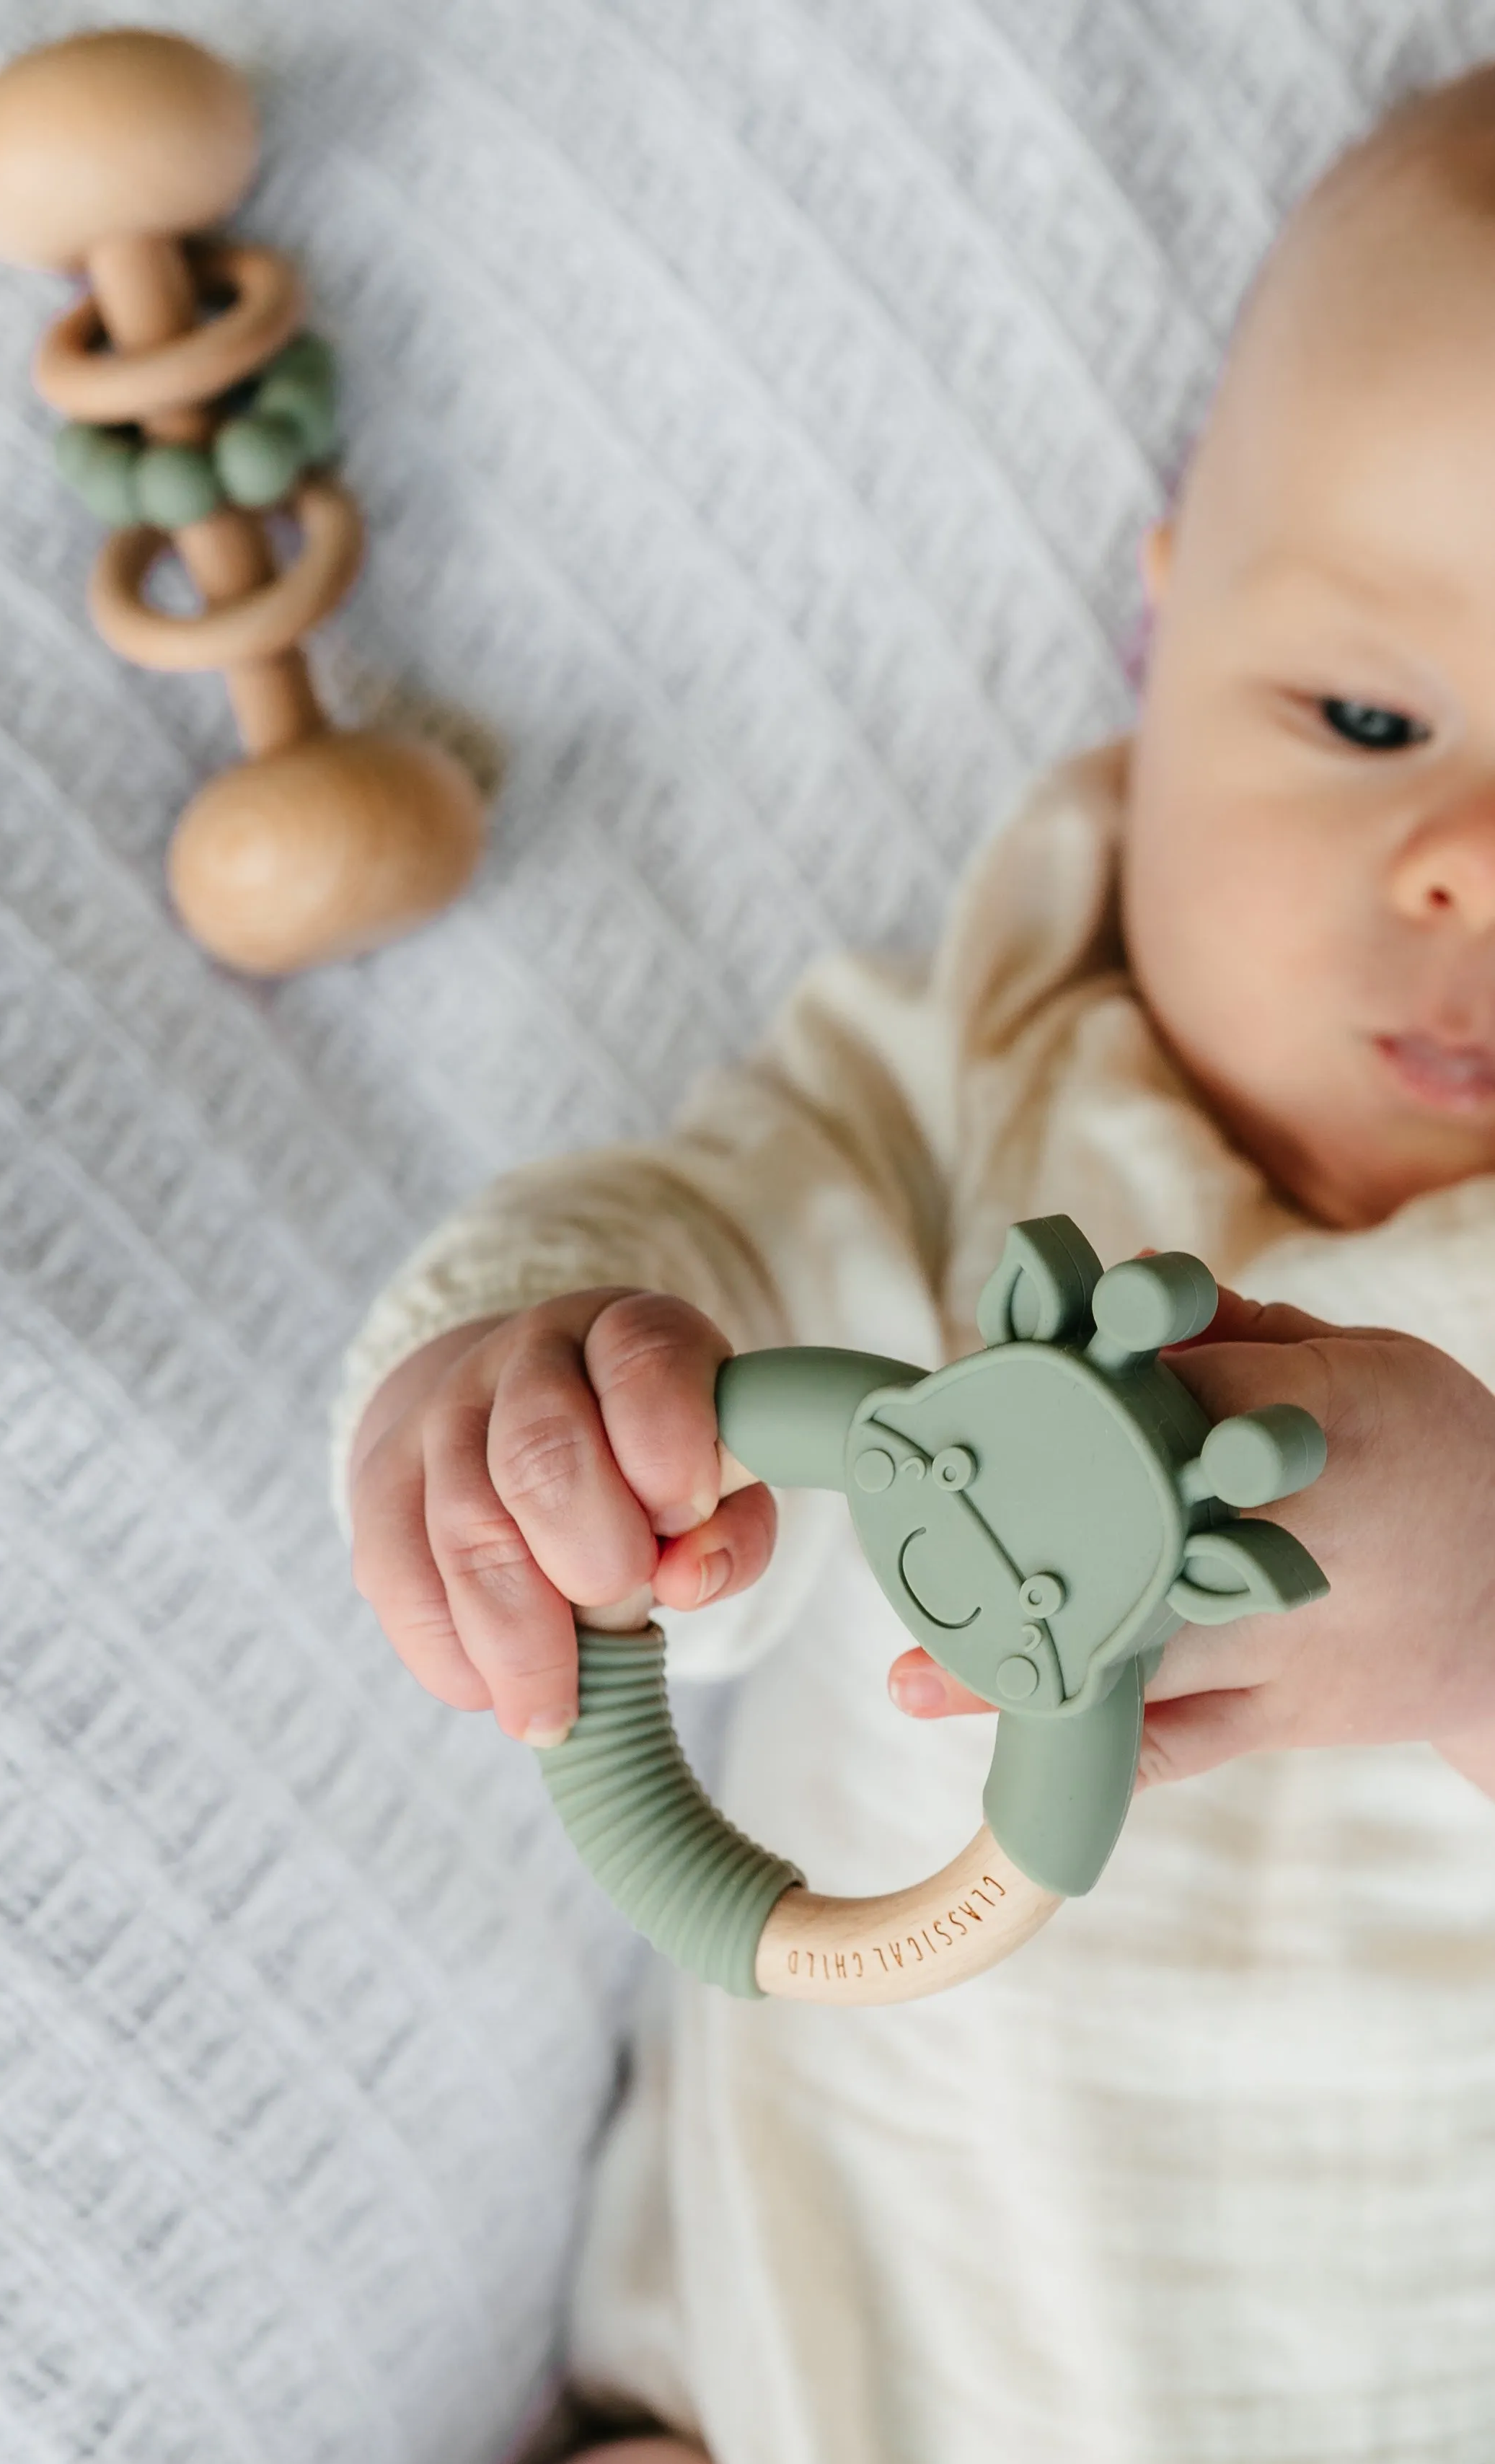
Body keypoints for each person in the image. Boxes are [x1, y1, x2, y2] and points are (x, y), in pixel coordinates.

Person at [335, 65, 1495, 2464]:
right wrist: (547, 1394)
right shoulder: (987, 1073)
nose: (1461, 864)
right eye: (1364, 715)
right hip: (796, 2395)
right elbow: (698, 1264)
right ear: (1155, 641)